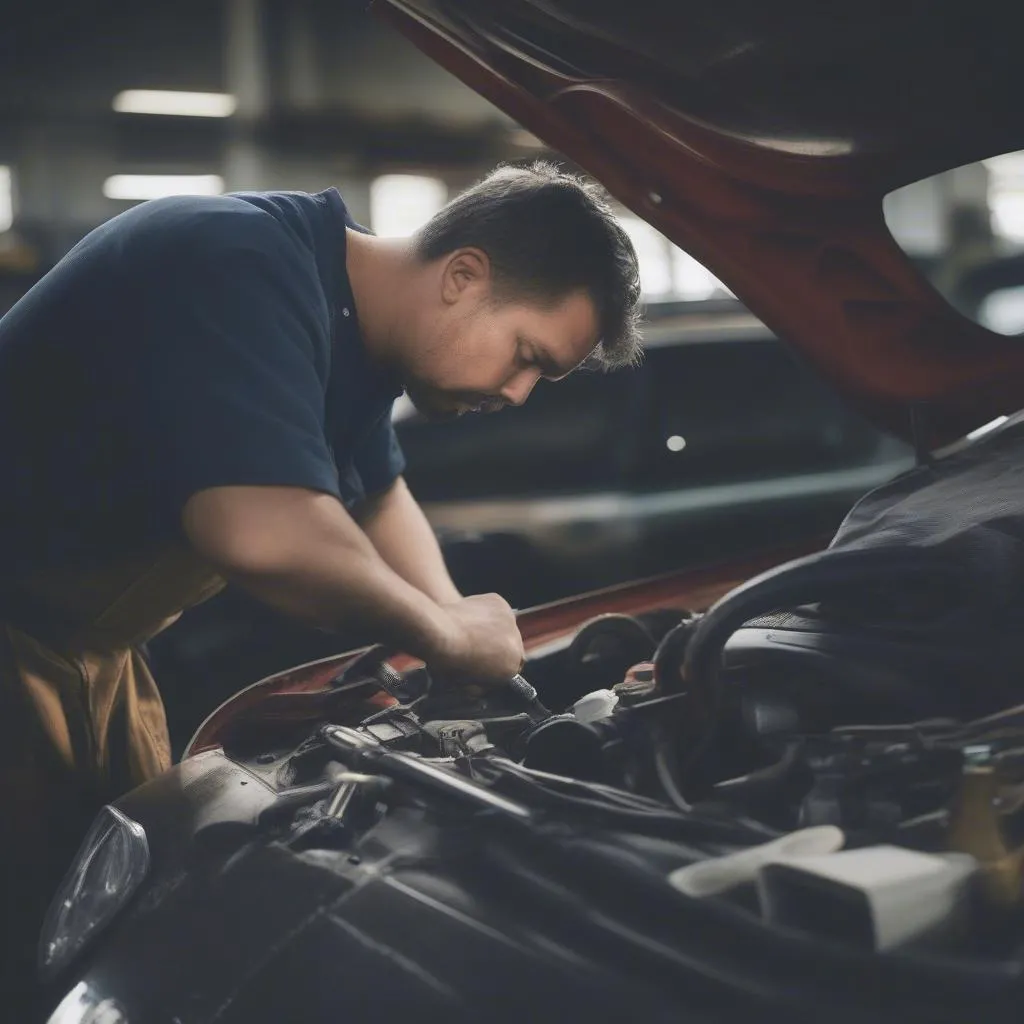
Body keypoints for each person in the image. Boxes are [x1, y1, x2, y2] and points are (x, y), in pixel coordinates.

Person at [0, 159, 641, 1013]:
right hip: (19, 642)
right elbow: (267, 532)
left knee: (99, 935)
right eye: (528, 356)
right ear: (462, 276)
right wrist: (446, 637)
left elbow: (379, 498)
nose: (520, 393)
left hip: (86, 660)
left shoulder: (358, 339)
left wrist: (476, 643)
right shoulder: (237, 261)